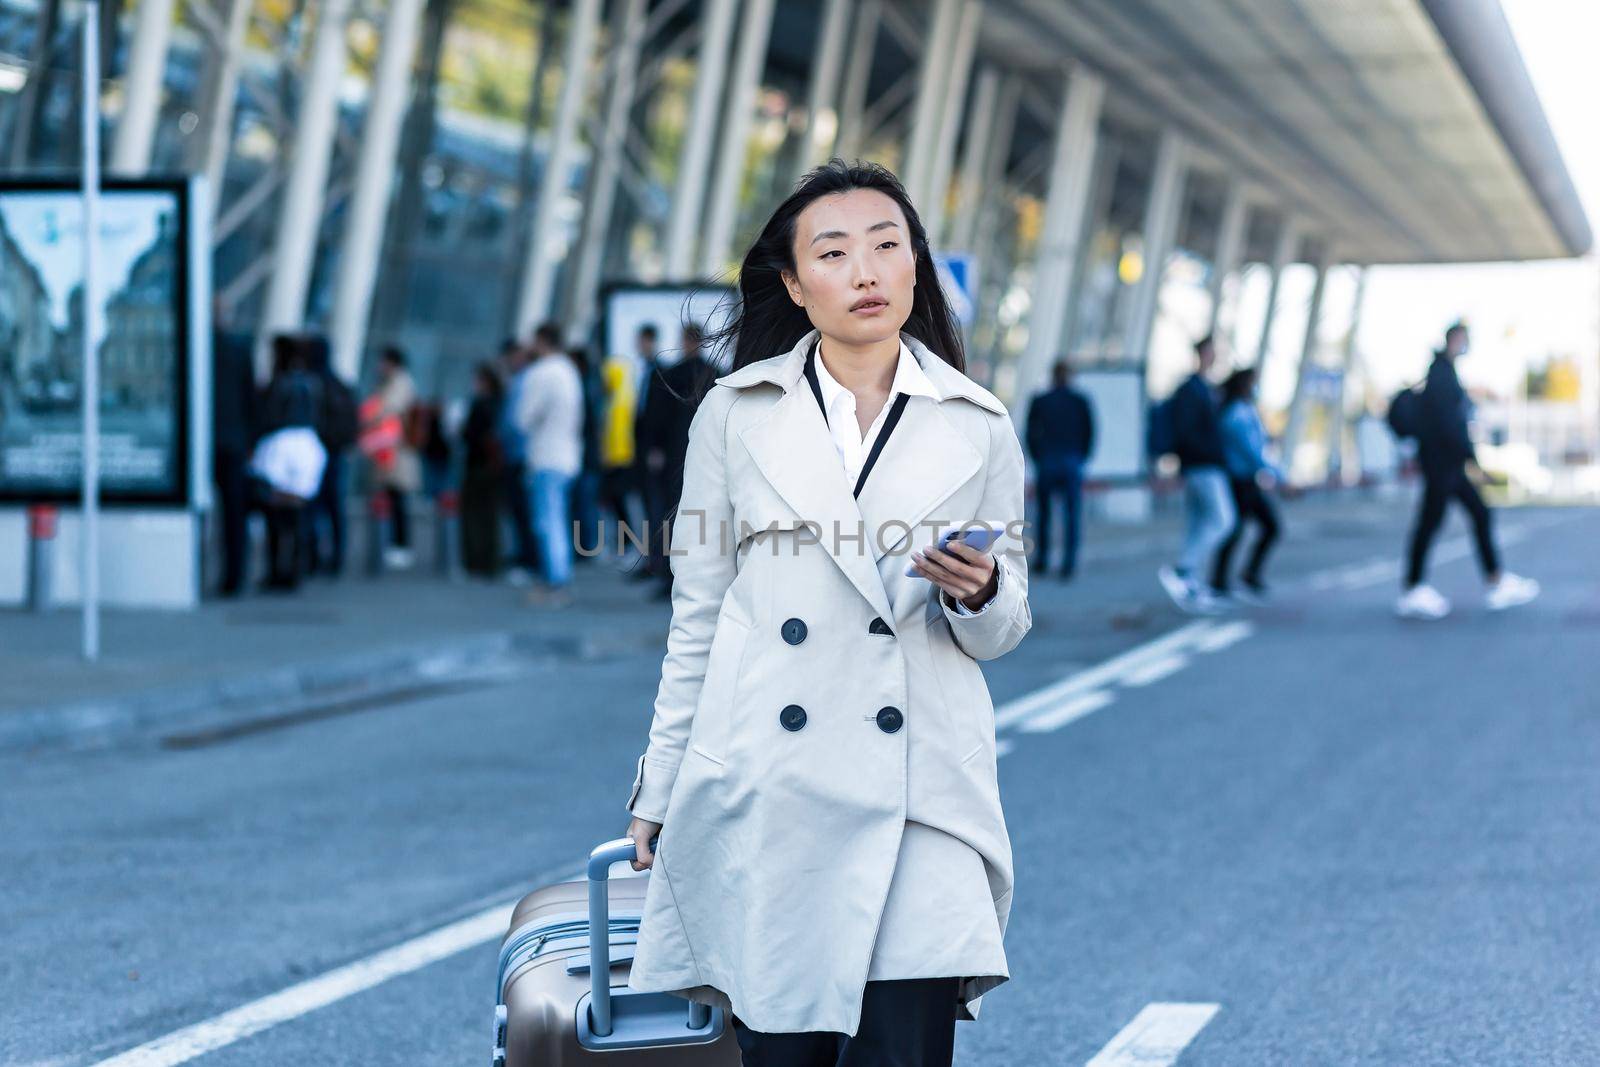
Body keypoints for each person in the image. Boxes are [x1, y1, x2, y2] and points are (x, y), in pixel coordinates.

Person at [622, 159, 1032, 1064]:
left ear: (917, 268)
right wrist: (659, 785)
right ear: (796, 285)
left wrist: (982, 590)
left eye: (888, 246)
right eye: (836, 252)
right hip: (777, 787)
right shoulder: (734, 415)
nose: (866, 270)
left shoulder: (978, 423)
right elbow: (698, 616)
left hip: (920, 791)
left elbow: (1004, 629)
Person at [1397, 323, 1539, 620]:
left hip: (1447, 465)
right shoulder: (1442, 374)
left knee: (1478, 513)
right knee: (1431, 523)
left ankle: (1495, 580)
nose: (1467, 345)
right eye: (1464, 339)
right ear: (1454, 339)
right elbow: (1450, 425)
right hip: (1442, 465)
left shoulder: (1442, 372)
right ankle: (1413, 589)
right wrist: (1473, 459)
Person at [636, 322, 716, 600]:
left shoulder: (670, 375)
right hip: (707, 455)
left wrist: (653, 449)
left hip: (674, 456)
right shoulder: (715, 374)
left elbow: (654, 418)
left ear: (685, 341)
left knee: (671, 514)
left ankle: (670, 574)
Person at [1157, 335, 1236, 614]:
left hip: (1201, 464)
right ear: (1202, 353)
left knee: (1198, 523)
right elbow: (1188, 430)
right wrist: (1207, 453)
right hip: (1202, 465)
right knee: (1224, 520)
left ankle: (1191, 581)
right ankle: (1183, 570)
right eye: (1212, 351)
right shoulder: (1192, 389)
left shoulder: (1203, 388)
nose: (1215, 357)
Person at [516, 322, 585, 607]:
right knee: (556, 518)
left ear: (542, 341)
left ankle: (555, 581)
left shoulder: (541, 373)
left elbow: (523, 417)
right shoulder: (569, 371)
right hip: (568, 455)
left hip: (545, 456)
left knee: (547, 521)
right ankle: (558, 578)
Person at [251, 335, 327, 592]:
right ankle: (296, 569)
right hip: (307, 445)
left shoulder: (278, 384)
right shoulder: (311, 383)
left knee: (275, 513)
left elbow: (268, 416)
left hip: (280, 446)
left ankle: (277, 570)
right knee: (298, 513)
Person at [1209, 368, 1282, 602]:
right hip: (1238, 481)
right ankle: (1220, 581)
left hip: (1248, 481)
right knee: (1236, 529)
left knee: (1265, 527)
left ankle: (1244, 575)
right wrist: (1281, 478)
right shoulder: (1236, 415)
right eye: (1254, 383)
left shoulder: (1245, 411)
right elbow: (1252, 452)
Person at [1024, 359, 1095, 580]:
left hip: (1047, 462)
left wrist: (1038, 457)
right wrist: (1081, 457)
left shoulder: (1041, 400)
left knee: (1044, 514)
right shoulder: (1080, 401)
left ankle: (1043, 560)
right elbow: (1089, 432)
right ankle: (1069, 563)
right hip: (1071, 462)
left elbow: (1030, 433)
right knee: (1072, 515)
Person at [210, 305, 258, 597]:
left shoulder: (197, 346)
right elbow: (250, 398)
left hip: (205, 440)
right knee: (234, 513)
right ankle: (234, 576)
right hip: (234, 441)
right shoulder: (239, 349)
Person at [303, 333, 357, 578]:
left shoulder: (311, 383)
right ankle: (336, 557)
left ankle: (313, 556)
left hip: (315, 452)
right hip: (336, 452)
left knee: (312, 507)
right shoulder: (340, 384)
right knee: (335, 507)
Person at [364, 347, 421, 570]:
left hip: (397, 450)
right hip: (388, 449)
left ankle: (401, 545)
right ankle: (394, 544)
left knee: (398, 499)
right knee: (391, 497)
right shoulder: (392, 383)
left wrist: (369, 419)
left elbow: (388, 409)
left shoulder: (401, 383)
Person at [497, 340, 539, 585]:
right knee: (520, 511)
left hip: (522, 456)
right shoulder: (519, 381)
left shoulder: (526, 381)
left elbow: (518, 422)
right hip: (517, 455)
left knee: (525, 511)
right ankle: (526, 558)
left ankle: (529, 560)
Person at [459, 361, 505, 577]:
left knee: (474, 515)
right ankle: (491, 561)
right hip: (495, 465)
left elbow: (469, 434)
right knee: (491, 515)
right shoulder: (502, 403)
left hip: (478, 464)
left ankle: (475, 561)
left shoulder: (480, 405)